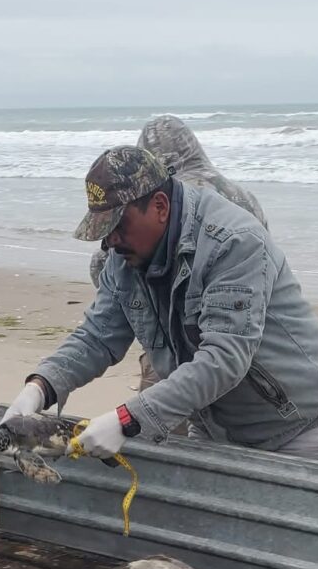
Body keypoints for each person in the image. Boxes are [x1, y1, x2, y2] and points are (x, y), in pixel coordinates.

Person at [2, 145, 318, 467]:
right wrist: (41, 386)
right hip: (215, 431)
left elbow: (224, 359)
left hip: (302, 432)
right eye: (103, 229)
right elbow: (97, 337)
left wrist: (128, 419)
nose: (110, 241)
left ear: (159, 206)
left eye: (118, 225)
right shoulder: (123, 258)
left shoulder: (233, 242)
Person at [88, 117, 268, 401]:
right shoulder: (242, 196)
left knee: (158, 437)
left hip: (175, 349)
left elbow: (104, 265)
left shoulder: (169, 197)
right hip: (247, 349)